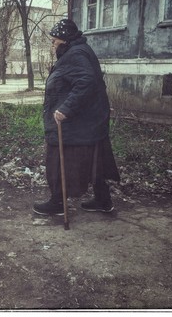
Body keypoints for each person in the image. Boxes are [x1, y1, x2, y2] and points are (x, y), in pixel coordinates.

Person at [33, 19, 120, 215]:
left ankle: (57, 203)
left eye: (54, 41)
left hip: (76, 123)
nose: (52, 45)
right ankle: (103, 200)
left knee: (58, 160)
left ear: (64, 40)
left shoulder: (75, 54)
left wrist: (65, 109)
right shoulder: (79, 50)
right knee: (94, 159)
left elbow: (86, 81)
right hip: (90, 121)